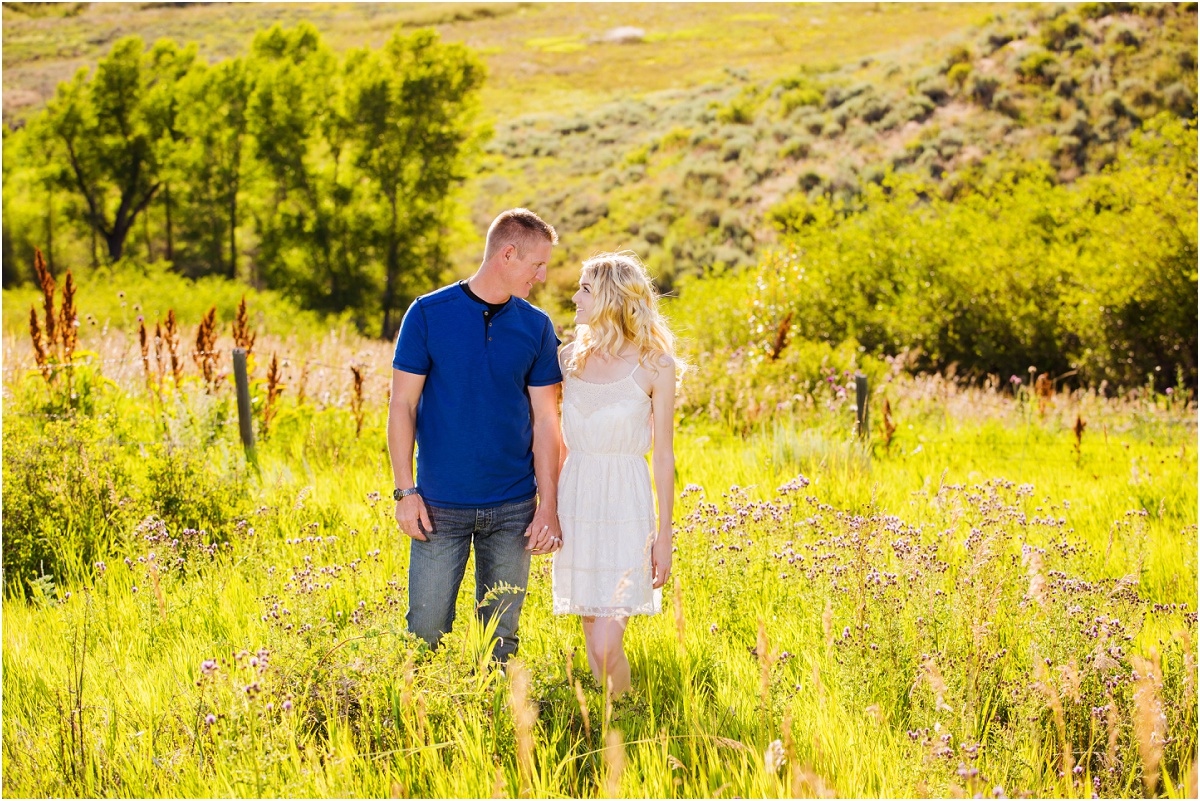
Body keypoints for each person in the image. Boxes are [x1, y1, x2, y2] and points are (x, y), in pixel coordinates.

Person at [388, 208, 563, 664]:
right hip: (438, 507)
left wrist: (549, 504)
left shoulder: (537, 326)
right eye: (537, 264)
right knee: (423, 635)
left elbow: (547, 421)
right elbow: (402, 406)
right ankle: (423, 725)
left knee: (500, 642)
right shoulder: (427, 314)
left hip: (513, 508)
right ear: (508, 254)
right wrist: (405, 491)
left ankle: (497, 726)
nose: (541, 276)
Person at [552, 251, 680, 696]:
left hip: (626, 504)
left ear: (611, 296)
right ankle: (615, 723)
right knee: (592, 632)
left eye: (585, 288)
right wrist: (545, 508)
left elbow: (663, 456)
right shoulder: (568, 359)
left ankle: (622, 712)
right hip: (577, 502)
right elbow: (556, 441)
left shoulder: (656, 364)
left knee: (607, 643)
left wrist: (664, 535)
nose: (575, 297)